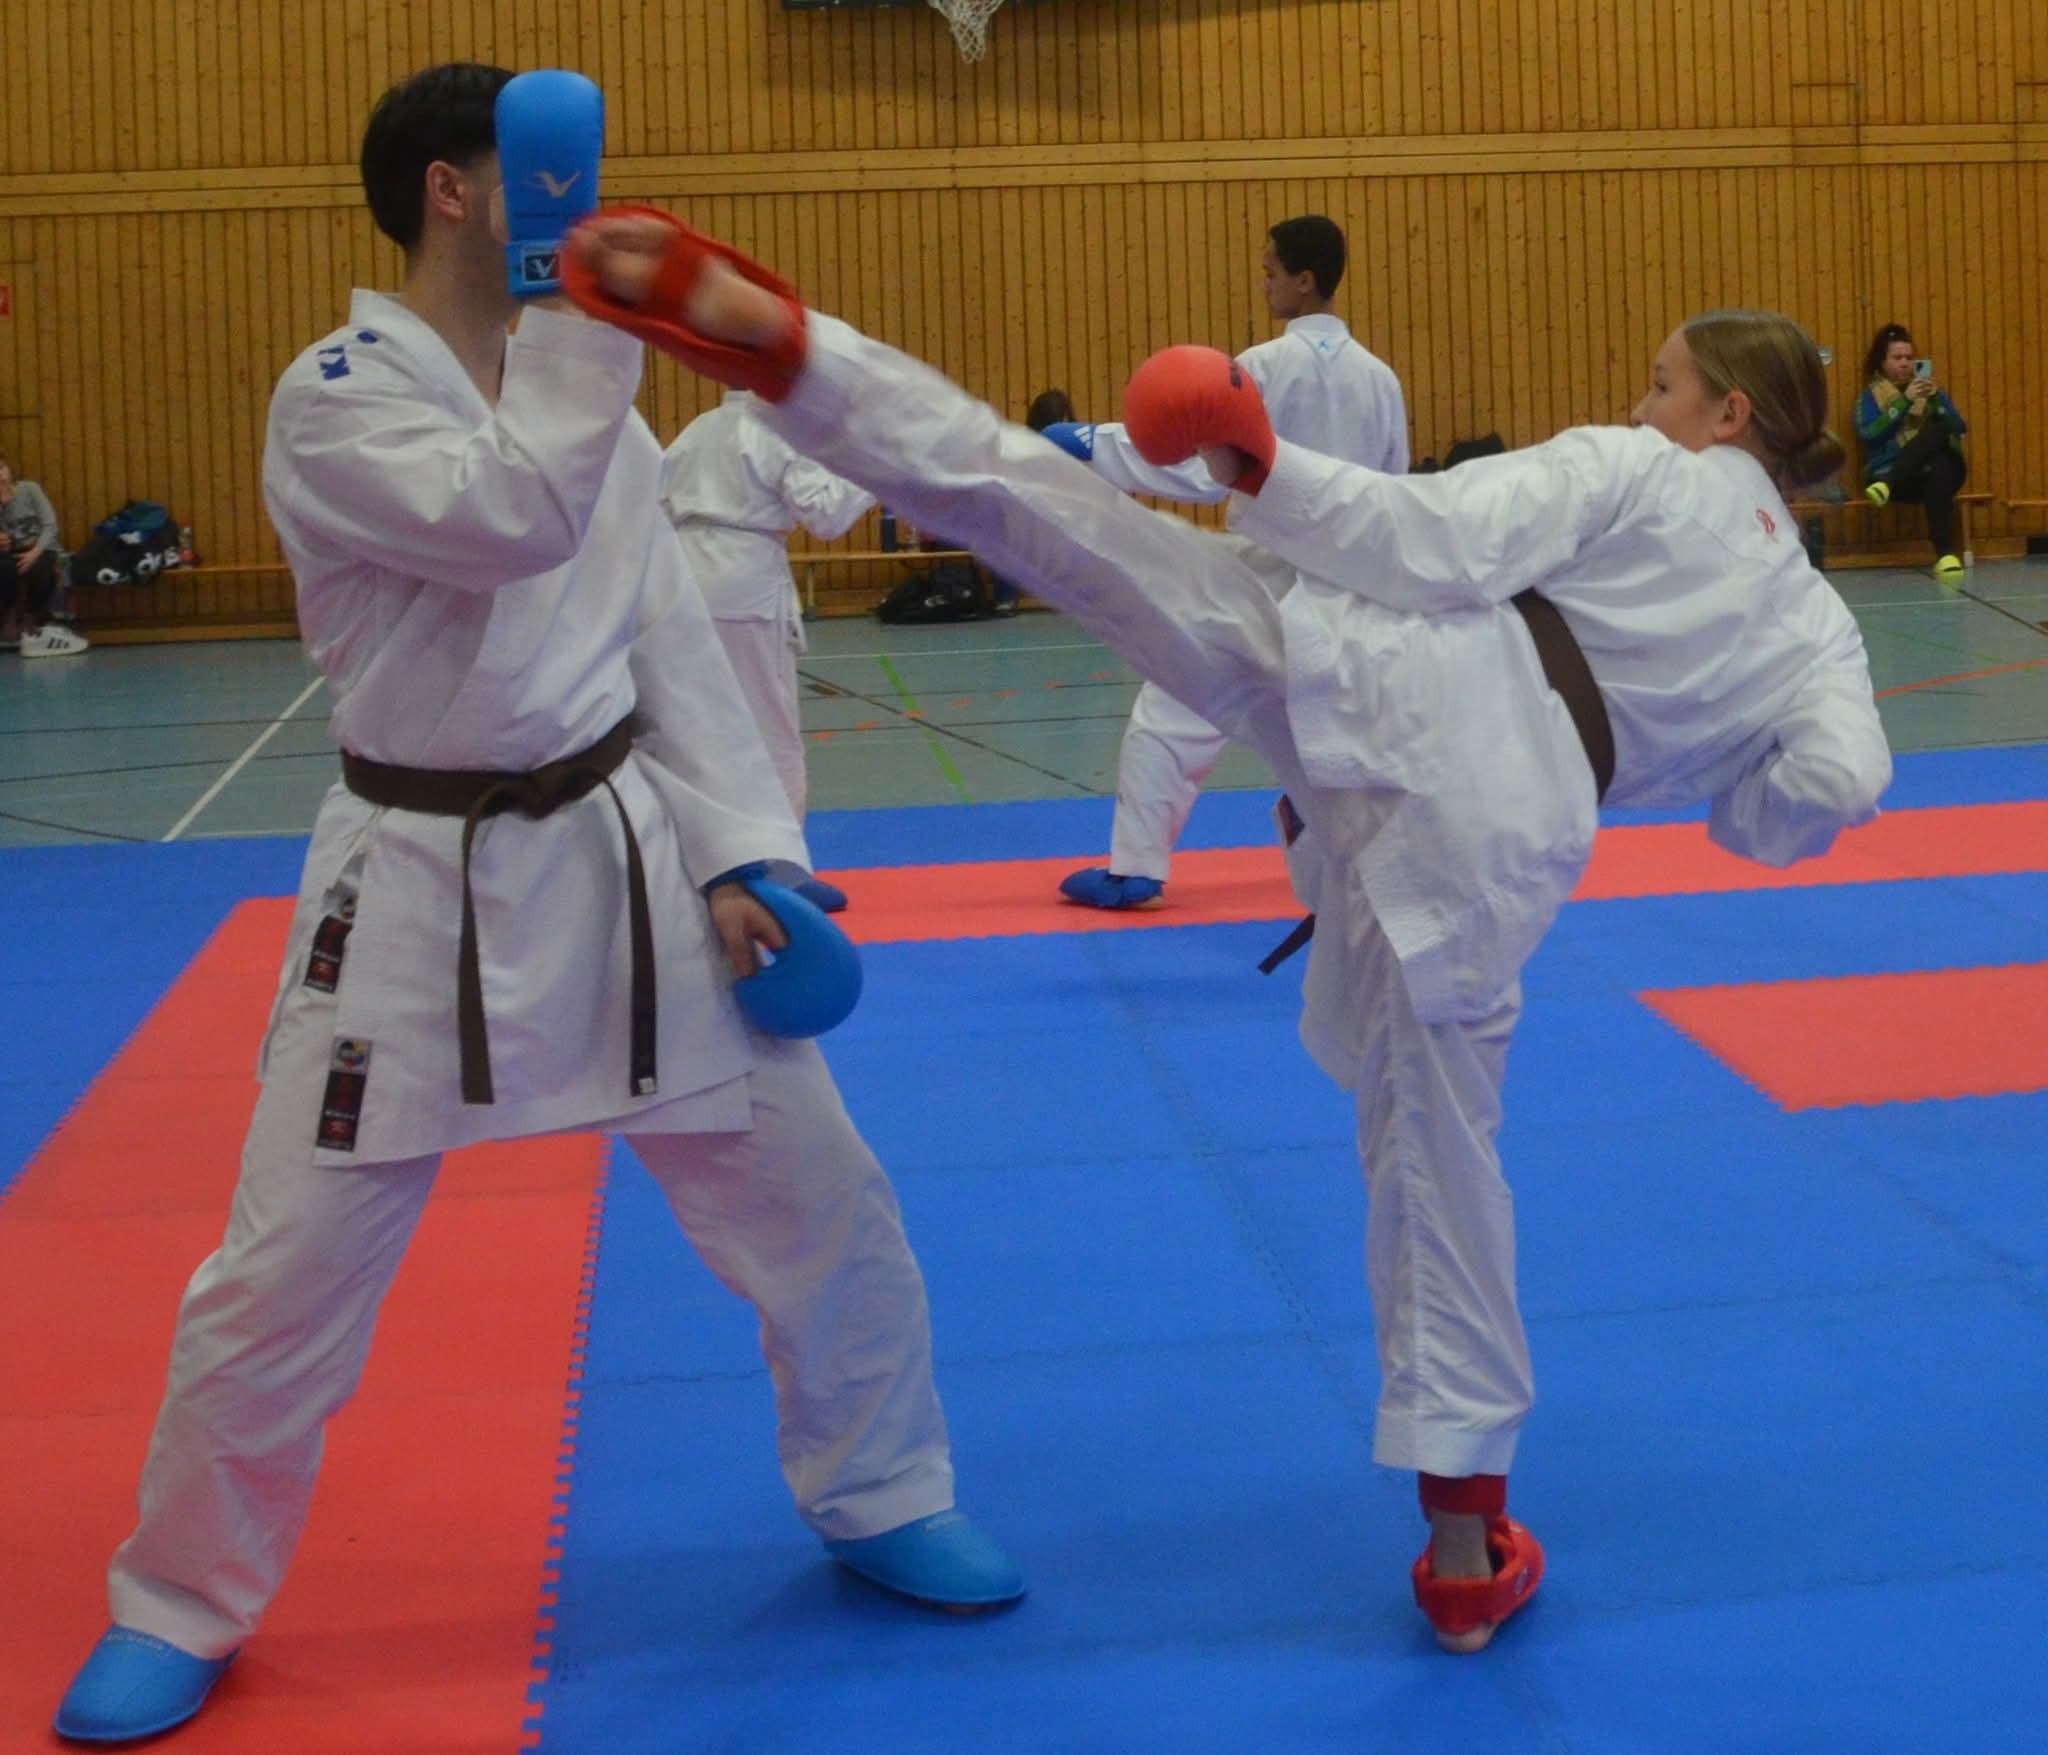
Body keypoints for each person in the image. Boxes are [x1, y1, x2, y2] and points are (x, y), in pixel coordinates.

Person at [562, 209, 1892, 1656]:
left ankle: (797, 358)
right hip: (1499, 835)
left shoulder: (1638, 470)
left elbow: (1435, 536)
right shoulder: (1818, 632)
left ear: (1726, 415)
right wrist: (1724, 760)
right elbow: (1813, 797)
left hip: (1373, 678)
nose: (1641, 403)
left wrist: (1260, 461)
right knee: (1440, 1166)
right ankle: (1463, 1548)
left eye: (1661, 381)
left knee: (1050, 517)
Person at [52, 66, 1019, 1749]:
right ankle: (178, 1595)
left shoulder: (598, 416)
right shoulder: (336, 396)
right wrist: (589, 333)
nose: (577, 202)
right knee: (278, 1283)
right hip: (411, 892)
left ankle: (880, 1489)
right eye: (544, 174)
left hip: (624, 860)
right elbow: (507, 517)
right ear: (454, 188)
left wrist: (741, 855)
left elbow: (661, 639)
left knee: (826, 1206)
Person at [1044, 216, 1408, 910]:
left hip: (1264, 577)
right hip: (1349, 586)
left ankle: (1136, 867)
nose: (1264, 283)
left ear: (1305, 281)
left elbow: (1206, 465)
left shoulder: (1262, 366)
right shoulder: (1380, 380)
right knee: (1342, 730)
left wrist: (1094, 446)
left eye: (1272, 272)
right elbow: (1392, 491)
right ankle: (1358, 846)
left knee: (1176, 701)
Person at [660, 390, 875, 910]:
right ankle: (783, 872)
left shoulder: (696, 430)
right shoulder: (776, 430)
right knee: (771, 728)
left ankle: (699, 867)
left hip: (680, 583)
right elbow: (826, 514)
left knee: (697, 731)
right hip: (743, 585)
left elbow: (653, 508)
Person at [1856, 324, 1969, 581]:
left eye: (1909, 357)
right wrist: (1904, 401)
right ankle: (1945, 554)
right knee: (1940, 464)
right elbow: (1868, 434)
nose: (1905, 363)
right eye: (1897, 358)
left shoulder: (1932, 392)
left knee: (1941, 436)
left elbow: (1960, 429)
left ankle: (1887, 484)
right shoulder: (1869, 396)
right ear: (1882, 362)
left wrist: (1935, 400)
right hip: (1894, 474)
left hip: (1916, 477)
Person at [0, 455, 88, 657]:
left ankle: (30, 617)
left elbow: (50, 525)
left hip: (41, 548)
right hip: (10, 552)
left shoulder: (29, 489)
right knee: (4, 568)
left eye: (2, 468)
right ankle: (9, 615)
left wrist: (34, 552)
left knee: (42, 566)